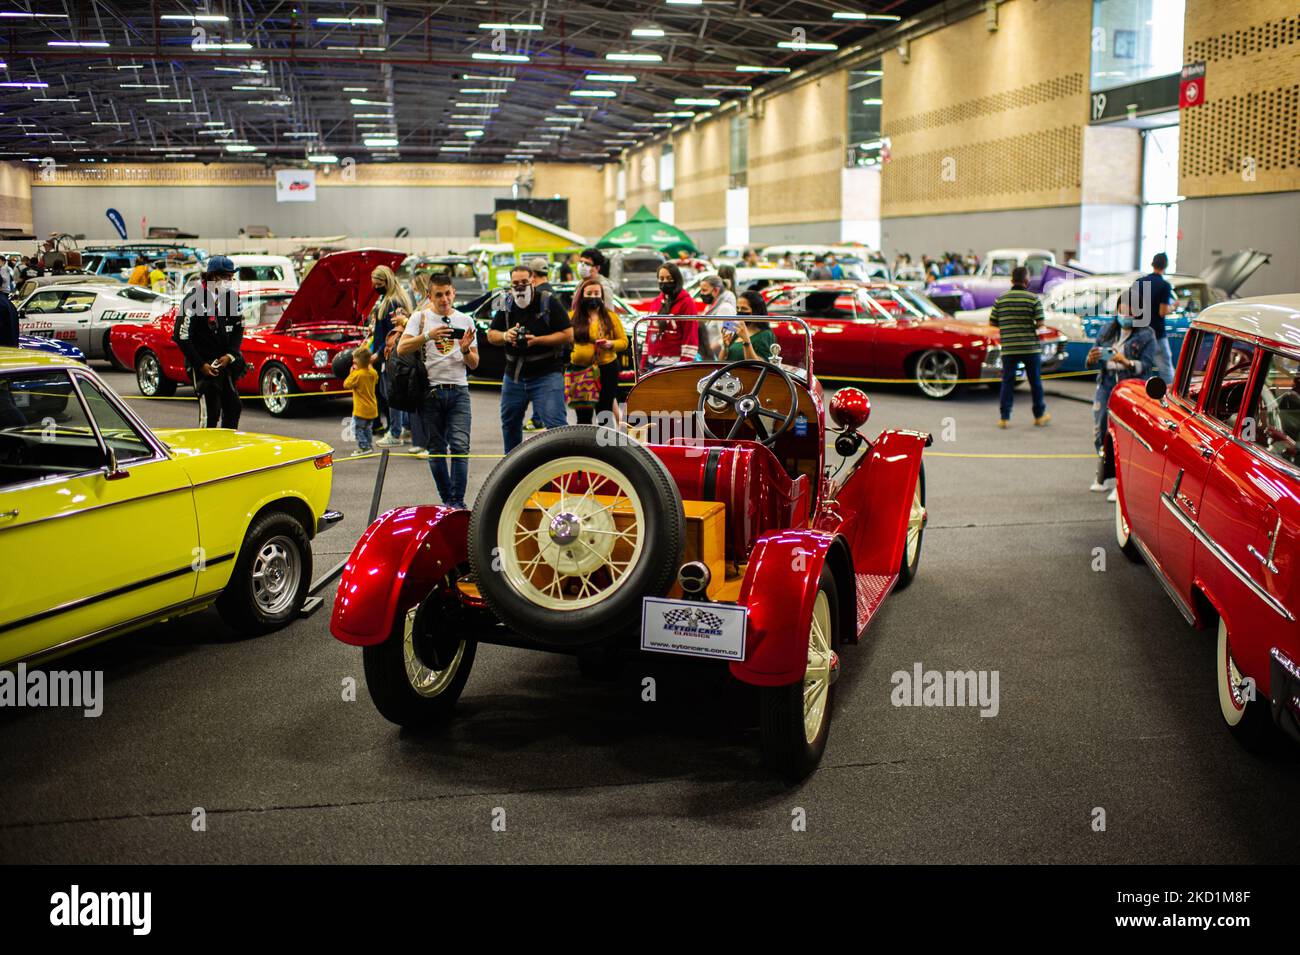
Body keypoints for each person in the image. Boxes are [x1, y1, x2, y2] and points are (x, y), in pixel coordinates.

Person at [397, 271, 479, 508]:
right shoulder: (420, 317)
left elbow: (474, 363)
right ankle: (447, 500)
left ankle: (456, 503)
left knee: (460, 448)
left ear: (454, 292)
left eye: (447, 294)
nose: (444, 299)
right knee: (436, 450)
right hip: (430, 392)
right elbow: (402, 348)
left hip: (459, 391)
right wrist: (427, 336)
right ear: (429, 296)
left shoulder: (466, 320)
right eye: (439, 295)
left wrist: (465, 350)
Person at [488, 265, 573, 453]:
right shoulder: (505, 301)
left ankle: (562, 464)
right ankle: (512, 465)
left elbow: (568, 334)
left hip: (546, 374)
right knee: (510, 424)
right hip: (514, 376)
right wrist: (506, 336)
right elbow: (491, 334)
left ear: (533, 281)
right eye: (515, 283)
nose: (520, 287)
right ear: (510, 284)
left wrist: (537, 340)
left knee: (556, 425)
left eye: (524, 282)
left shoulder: (548, 301)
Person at [1086, 314, 1157, 496]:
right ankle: (1103, 474)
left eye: (1131, 310)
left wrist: (1126, 362)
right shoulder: (1106, 330)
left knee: (1125, 434)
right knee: (1100, 430)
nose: (1126, 314)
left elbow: (1147, 366)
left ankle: (1121, 483)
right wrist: (1091, 358)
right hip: (1106, 383)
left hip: (1130, 387)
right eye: (1122, 308)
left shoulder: (1147, 334)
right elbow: (1090, 362)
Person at [173, 255, 243, 429]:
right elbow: (181, 336)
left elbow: (238, 329)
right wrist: (200, 364)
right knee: (211, 412)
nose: (229, 281)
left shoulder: (232, 298)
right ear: (212, 276)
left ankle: (227, 442)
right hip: (202, 363)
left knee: (234, 407)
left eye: (231, 277)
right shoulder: (194, 298)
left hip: (224, 362)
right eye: (226, 276)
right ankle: (205, 444)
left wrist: (230, 355)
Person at [989, 266, 1049, 428]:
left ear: (1012, 280)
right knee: (1035, 382)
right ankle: (1039, 416)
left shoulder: (1001, 299)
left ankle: (1004, 418)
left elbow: (992, 322)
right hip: (1030, 348)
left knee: (1007, 382)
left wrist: (1008, 325)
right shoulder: (1033, 299)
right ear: (1026, 280)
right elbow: (1041, 324)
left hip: (1009, 348)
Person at [567, 278, 628, 426]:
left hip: (607, 369)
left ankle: (606, 440)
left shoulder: (611, 317)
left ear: (602, 296)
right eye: (589, 293)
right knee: (583, 416)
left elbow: (624, 342)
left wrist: (610, 344)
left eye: (596, 293)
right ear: (582, 295)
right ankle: (585, 442)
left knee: (604, 413)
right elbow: (565, 341)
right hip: (579, 371)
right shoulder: (571, 316)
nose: (593, 296)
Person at [367, 264, 412, 443]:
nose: (375, 287)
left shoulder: (392, 302)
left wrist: (378, 354)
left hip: (390, 355)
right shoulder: (394, 299)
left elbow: (394, 332)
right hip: (392, 354)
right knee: (396, 394)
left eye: (377, 284)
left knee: (392, 395)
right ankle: (405, 428)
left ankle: (395, 433)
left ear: (385, 282)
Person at [1119, 252, 1174, 383]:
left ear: (1152, 264)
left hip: (1136, 332)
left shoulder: (1138, 282)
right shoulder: (1165, 285)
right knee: (1165, 369)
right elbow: (1162, 311)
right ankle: (1168, 395)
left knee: (1136, 367)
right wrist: (1173, 307)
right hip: (1156, 334)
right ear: (1165, 266)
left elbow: (1128, 307)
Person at [642, 262, 700, 370]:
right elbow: (649, 335)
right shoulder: (656, 302)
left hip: (674, 364)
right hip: (651, 363)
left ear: (677, 279)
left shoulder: (687, 303)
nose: (665, 282)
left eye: (669, 278)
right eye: (661, 278)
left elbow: (690, 336)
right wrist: (643, 363)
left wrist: (683, 365)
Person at [722, 291, 776, 361]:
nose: (739, 311)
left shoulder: (765, 335)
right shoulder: (738, 331)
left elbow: (759, 365)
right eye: (737, 308)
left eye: (744, 309)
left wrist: (746, 341)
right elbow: (721, 361)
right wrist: (725, 347)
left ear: (756, 311)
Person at [344, 347, 378, 456]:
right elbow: (376, 379)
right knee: (368, 428)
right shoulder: (373, 373)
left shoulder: (357, 375)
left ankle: (364, 447)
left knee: (357, 428)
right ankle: (369, 445)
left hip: (361, 409)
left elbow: (346, 384)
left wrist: (351, 373)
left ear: (357, 362)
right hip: (372, 408)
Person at [697, 273, 736, 359]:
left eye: (704, 290)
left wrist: (708, 351)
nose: (701, 293)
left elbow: (728, 336)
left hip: (717, 358)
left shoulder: (726, 309)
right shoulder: (710, 307)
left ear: (716, 290)